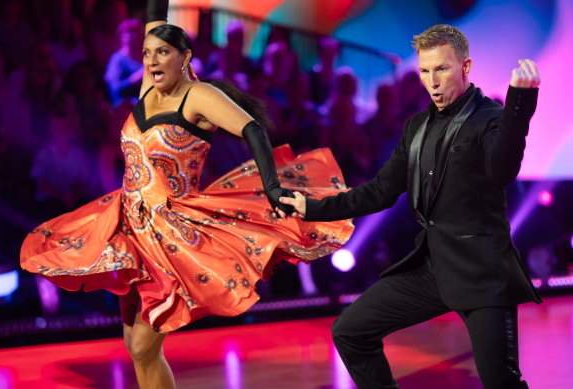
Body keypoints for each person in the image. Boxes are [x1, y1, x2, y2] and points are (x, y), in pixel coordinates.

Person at [20, 1, 353, 388]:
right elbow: (154, 17)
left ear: (185, 58)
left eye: (163, 52)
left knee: (144, 344)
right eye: (147, 53)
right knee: (135, 345)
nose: (152, 60)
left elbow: (254, 130)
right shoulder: (149, 87)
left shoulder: (199, 96)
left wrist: (274, 188)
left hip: (171, 232)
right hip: (128, 225)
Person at [280, 24, 541, 389]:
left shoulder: (490, 117)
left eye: (442, 69)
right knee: (350, 331)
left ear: (465, 67)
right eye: (424, 71)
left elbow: (502, 171)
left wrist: (519, 106)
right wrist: (311, 208)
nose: (432, 81)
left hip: (482, 272)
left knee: (500, 381)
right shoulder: (416, 127)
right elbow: (380, 192)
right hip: (431, 268)